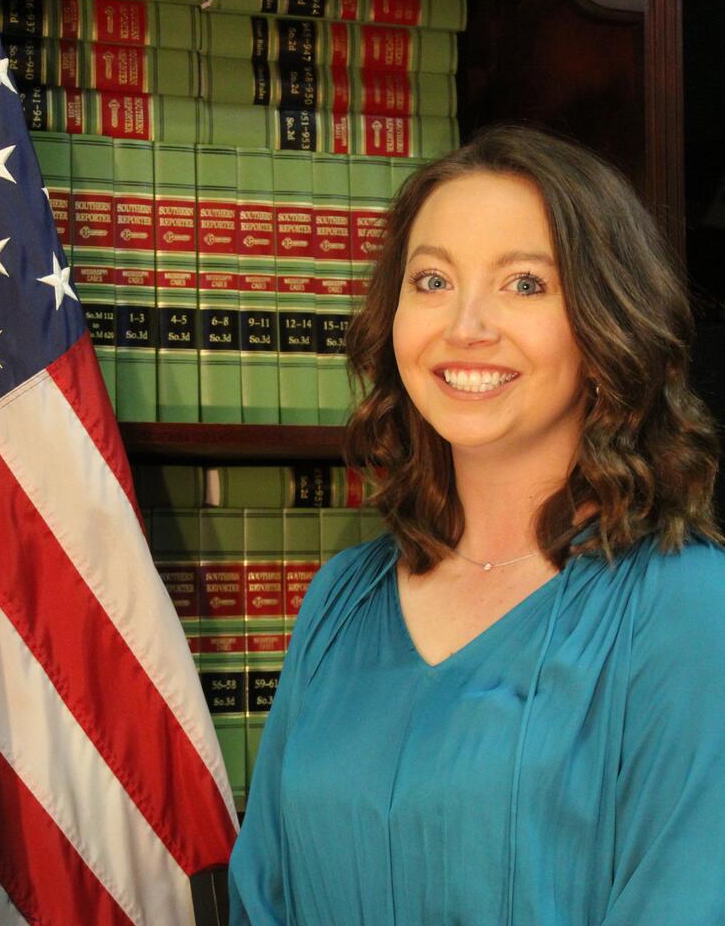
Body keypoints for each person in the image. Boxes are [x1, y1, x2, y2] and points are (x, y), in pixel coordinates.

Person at [228, 125, 725, 925]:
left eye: (524, 285)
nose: (465, 326)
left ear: (608, 325)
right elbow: (263, 899)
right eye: (431, 281)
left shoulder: (688, 610)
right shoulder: (339, 603)